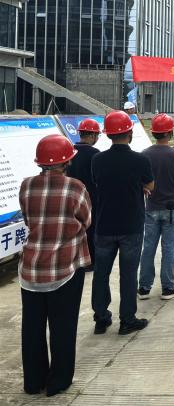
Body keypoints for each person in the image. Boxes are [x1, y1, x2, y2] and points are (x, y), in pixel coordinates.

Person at [18, 135, 91, 397]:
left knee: (32, 327)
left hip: (31, 269)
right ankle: (58, 381)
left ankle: (33, 381)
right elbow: (86, 220)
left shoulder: (26, 186)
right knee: (63, 326)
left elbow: (28, 219)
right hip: (65, 268)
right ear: (67, 161)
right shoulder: (75, 188)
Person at [91, 110, 154, 336]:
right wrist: (138, 186)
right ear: (129, 133)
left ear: (108, 135)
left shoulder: (97, 160)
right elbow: (150, 185)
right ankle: (127, 320)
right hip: (131, 226)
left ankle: (101, 318)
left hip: (104, 225)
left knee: (101, 274)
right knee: (128, 275)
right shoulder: (140, 160)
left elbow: (98, 183)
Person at [137, 114, 174, 300]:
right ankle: (168, 287)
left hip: (151, 207)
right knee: (169, 248)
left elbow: (141, 182)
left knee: (148, 247)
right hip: (172, 207)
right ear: (170, 132)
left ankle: (144, 287)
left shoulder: (144, 154)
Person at [66, 118, 100, 268]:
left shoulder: (70, 151)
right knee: (91, 230)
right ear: (92, 135)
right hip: (91, 199)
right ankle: (90, 262)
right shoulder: (95, 154)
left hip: (71, 198)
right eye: (97, 135)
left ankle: (76, 260)